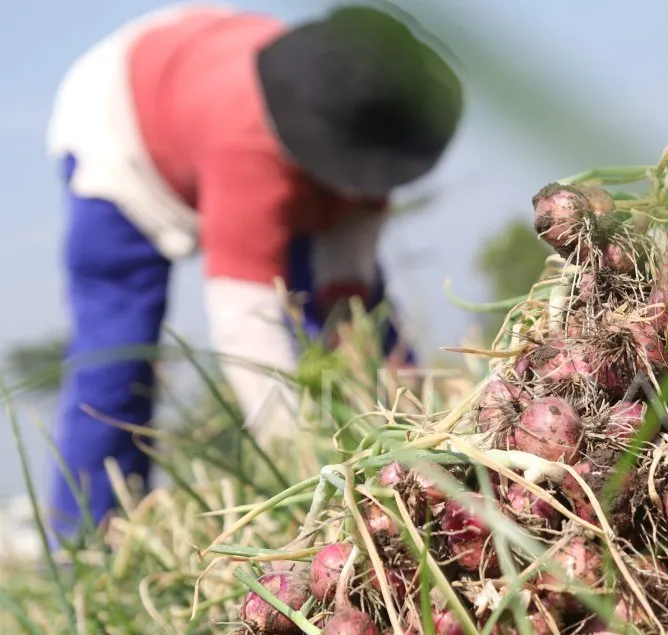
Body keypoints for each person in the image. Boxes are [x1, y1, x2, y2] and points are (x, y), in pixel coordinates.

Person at [44, 3, 463, 547]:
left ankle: (421, 474)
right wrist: (300, 460)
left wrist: (379, 372)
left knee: (367, 325)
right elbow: (247, 323)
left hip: (204, 69)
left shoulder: (370, 110)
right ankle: (88, 543)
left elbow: (350, 279)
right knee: (118, 359)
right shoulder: (250, 143)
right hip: (119, 126)